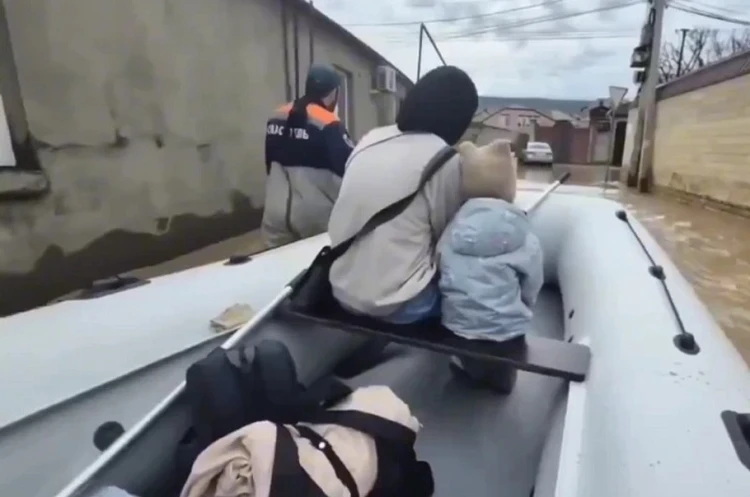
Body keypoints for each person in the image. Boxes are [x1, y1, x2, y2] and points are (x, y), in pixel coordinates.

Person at [327, 66, 478, 324]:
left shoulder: (370, 139)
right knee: (479, 294)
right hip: (402, 305)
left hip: (341, 289)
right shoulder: (444, 159)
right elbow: (447, 237)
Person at [262, 64, 355, 248]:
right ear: (333, 92)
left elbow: (269, 164)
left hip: (275, 215)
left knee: (277, 264)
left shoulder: (277, 117)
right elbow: (351, 171)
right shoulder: (329, 124)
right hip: (315, 219)